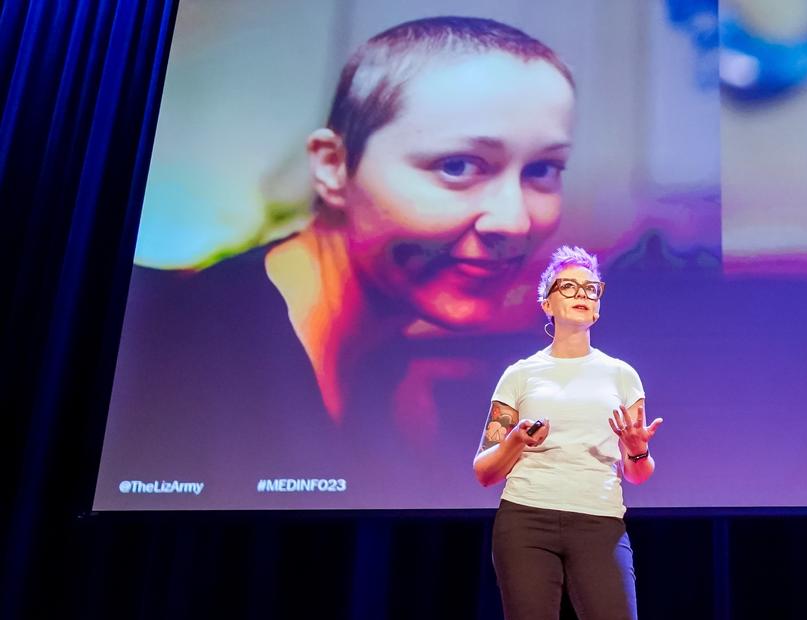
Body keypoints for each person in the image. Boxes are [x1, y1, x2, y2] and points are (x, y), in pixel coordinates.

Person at [96, 17, 575, 507]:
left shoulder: (388, 379)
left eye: (543, 169)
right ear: (332, 166)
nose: (515, 223)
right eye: (457, 166)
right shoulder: (157, 343)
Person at [474, 245, 670, 620]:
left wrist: (635, 449)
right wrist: (513, 441)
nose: (582, 295)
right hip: (526, 522)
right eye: (571, 286)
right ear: (547, 301)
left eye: (592, 288)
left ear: (599, 306)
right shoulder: (520, 376)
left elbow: (641, 475)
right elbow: (485, 469)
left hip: (598, 524)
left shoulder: (620, 375)